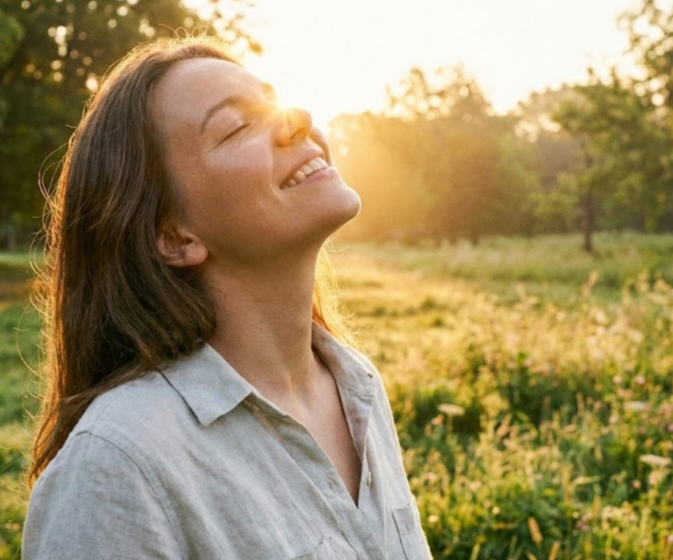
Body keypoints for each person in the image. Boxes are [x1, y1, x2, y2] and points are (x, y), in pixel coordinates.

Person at [23, 36, 432, 560]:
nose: (298, 118)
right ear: (175, 237)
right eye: (236, 127)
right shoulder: (118, 464)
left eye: (275, 101)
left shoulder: (357, 387)